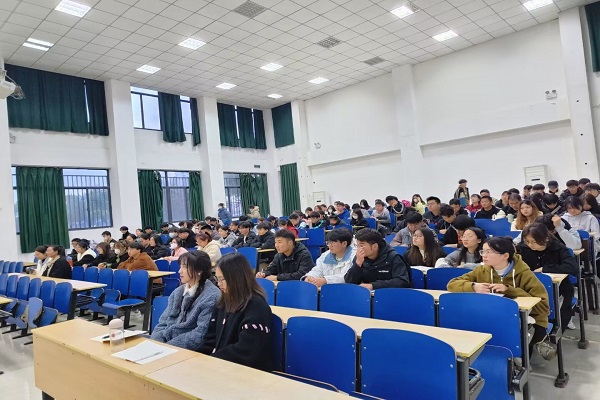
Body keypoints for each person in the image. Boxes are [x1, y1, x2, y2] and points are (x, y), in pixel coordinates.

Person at [447, 237, 550, 357]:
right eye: (483, 251)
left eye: (488, 252)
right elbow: (452, 284)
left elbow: (543, 306)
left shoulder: (524, 273)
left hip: (528, 320)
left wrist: (509, 290)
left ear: (505, 256)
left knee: (513, 336)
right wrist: (473, 286)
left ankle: (521, 360)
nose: (484, 255)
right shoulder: (481, 270)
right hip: (493, 316)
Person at [200, 253, 273, 371]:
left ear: (237, 278)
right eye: (217, 279)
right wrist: (197, 359)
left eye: (222, 279)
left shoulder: (257, 306)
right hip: (221, 366)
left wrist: (211, 361)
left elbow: (246, 351)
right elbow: (210, 339)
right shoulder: (223, 303)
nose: (219, 284)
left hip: (246, 372)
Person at [151, 250, 221, 350]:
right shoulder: (178, 292)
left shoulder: (212, 296)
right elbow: (163, 323)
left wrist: (167, 348)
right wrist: (156, 343)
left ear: (199, 270)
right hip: (165, 346)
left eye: (185, 267)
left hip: (188, 350)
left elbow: (200, 334)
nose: (179, 271)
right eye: (180, 267)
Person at [518, 223, 579, 330]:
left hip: (559, 288)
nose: (530, 245)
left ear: (546, 239)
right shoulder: (522, 248)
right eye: (527, 241)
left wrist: (544, 269)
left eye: (534, 242)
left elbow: (572, 267)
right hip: (530, 287)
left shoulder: (558, 248)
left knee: (559, 311)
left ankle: (556, 329)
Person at [344, 228, 411, 289]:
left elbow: (402, 281)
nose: (358, 249)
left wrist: (373, 285)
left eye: (361, 245)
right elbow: (349, 282)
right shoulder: (359, 258)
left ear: (375, 246)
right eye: (357, 245)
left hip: (390, 295)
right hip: (367, 295)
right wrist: (357, 265)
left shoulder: (393, 257)